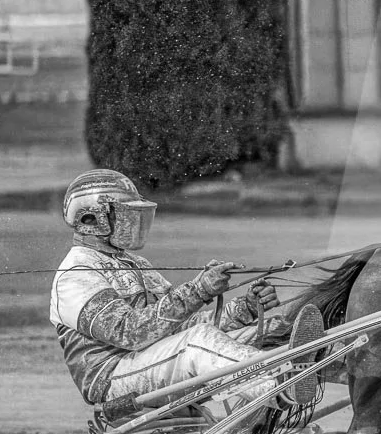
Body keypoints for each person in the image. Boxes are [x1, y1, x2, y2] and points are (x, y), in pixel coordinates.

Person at [48, 169, 321, 417]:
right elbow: (130, 333)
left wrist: (243, 309)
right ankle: (279, 385)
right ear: (92, 218)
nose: (132, 224)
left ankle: (322, 365)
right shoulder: (76, 271)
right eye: (123, 215)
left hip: (150, 359)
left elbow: (178, 326)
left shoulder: (135, 264)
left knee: (266, 332)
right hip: (111, 378)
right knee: (196, 344)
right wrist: (198, 290)